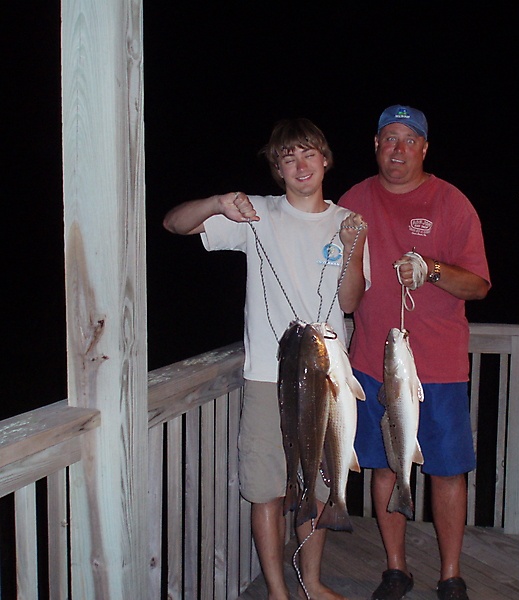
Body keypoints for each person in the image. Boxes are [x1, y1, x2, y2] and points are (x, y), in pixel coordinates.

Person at [163, 118, 368, 600]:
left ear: (326, 160)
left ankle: (312, 583)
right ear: (277, 169)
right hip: (265, 380)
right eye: (288, 157)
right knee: (267, 490)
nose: (300, 165)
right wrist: (218, 202)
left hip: (328, 379)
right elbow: (174, 223)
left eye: (308, 154)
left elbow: (353, 301)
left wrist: (354, 248)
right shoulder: (256, 215)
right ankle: (277, 590)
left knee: (318, 488)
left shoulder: (348, 222)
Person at [338, 105, 490, 600]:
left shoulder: (452, 203)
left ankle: (451, 575)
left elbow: (479, 285)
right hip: (371, 363)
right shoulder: (353, 200)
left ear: (424, 147)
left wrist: (434, 269)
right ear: (375, 144)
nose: (397, 149)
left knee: (447, 471)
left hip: (440, 366)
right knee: (384, 467)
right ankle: (396, 569)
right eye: (388, 139)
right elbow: (336, 285)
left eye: (408, 139)